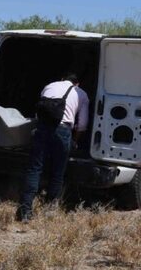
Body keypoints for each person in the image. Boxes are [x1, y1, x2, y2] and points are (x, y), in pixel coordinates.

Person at [17, 73, 89, 222]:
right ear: (77, 84)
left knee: (34, 168)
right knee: (58, 172)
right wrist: (74, 141)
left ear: (63, 79)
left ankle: (25, 211)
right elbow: (82, 124)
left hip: (42, 128)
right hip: (63, 131)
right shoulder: (81, 94)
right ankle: (49, 211)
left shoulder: (49, 86)